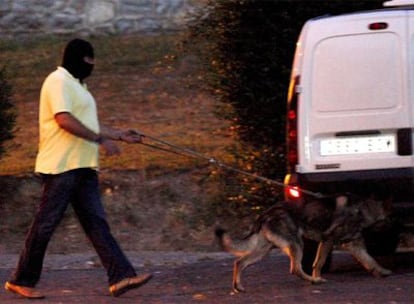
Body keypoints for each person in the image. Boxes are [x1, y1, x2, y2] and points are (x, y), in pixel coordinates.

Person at [4, 38, 152, 299]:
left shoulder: (78, 86)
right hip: (62, 165)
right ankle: (20, 280)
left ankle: (120, 277)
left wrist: (119, 134)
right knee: (45, 224)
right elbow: (64, 120)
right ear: (75, 59)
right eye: (87, 61)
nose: (90, 66)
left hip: (83, 166)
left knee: (96, 223)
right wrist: (100, 140)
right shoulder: (58, 81)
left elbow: (87, 122)